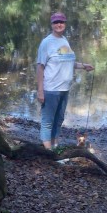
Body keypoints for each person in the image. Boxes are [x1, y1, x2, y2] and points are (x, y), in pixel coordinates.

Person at [36, 11, 94, 149]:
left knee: (59, 120)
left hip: (64, 89)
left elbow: (68, 61)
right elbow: (40, 67)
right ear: (51, 25)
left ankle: (55, 147)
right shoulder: (46, 43)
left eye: (61, 22)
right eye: (56, 22)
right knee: (48, 122)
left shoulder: (64, 41)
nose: (59, 24)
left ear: (65, 24)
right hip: (51, 89)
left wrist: (83, 66)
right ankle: (48, 152)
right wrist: (40, 91)